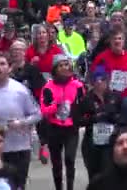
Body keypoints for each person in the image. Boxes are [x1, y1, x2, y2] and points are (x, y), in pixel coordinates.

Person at [0, 53, 41, 189]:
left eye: (3, 64)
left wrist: (22, 122)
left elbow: (37, 114)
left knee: (18, 185)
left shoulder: (21, 90)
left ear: (9, 68)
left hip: (20, 147)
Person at [40, 54, 85, 190]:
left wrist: (81, 117)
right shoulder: (48, 87)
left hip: (71, 128)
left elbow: (83, 104)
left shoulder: (78, 85)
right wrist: (55, 106)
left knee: (70, 159)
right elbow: (43, 110)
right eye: (61, 65)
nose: (65, 68)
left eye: (66, 64)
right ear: (55, 69)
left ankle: (70, 187)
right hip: (54, 128)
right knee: (57, 163)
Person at [77, 65, 127, 179]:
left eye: (103, 79)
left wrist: (113, 117)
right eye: (97, 80)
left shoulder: (115, 97)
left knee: (111, 173)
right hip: (92, 142)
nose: (100, 83)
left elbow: (124, 118)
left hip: (111, 141)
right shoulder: (86, 99)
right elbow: (78, 120)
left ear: (108, 80)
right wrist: (93, 118)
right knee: (94, 174)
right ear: (92, 82)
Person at [90, 29, 127, 98]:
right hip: (107, 99)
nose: (117, 41)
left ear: (123, 41)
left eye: (119, 39)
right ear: (110, 41)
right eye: (114, 39)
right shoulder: (102, 58)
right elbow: (95, 78)